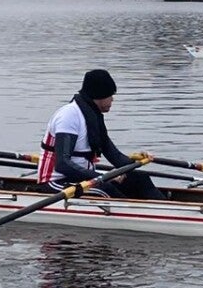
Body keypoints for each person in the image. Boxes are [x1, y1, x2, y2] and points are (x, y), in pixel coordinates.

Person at [37, 69, 161, 199]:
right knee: (106, 189)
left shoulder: (93, 117)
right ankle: (132, 210)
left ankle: (166, 207)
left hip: (82, 178)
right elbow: (63, 165)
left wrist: (135, 161)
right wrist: (101, 176)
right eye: (110, 95)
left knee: (139, 178)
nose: (112, 99)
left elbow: (115, 156)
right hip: (55, 182)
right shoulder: (69, 116)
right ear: (99, 95)